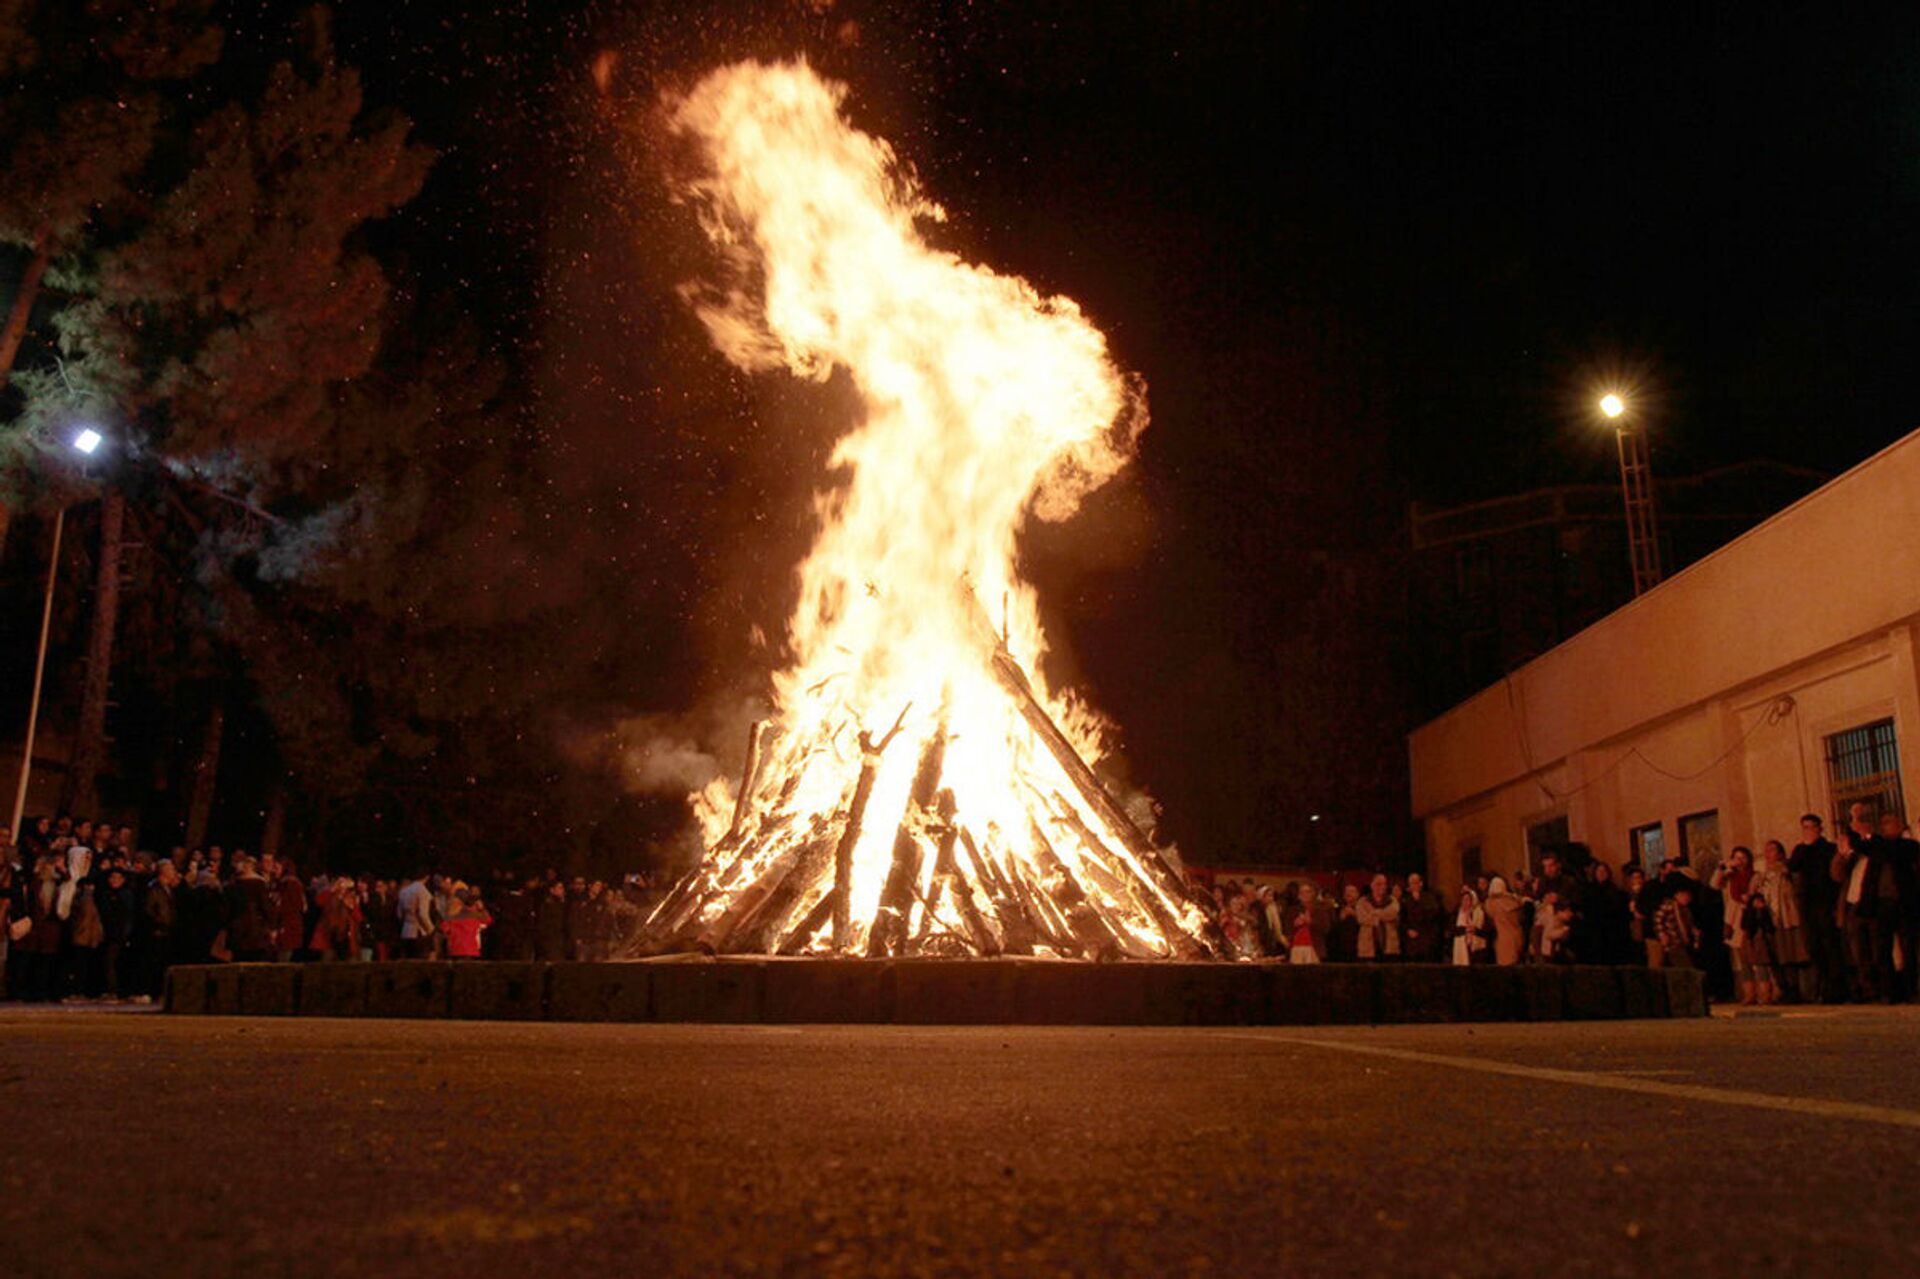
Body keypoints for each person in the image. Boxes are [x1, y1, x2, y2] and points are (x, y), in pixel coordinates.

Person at [1788, 813, 1844, 1001]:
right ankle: (1822, 986)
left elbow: (1834, 875)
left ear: (1820, 828)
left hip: (1825, 902)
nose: (1808, 831)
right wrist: (1805, 846)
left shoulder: (1828, 848)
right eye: (1805, 827)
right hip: (1807, 903)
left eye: (1812, 827)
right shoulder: (1800, 850)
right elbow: (1793, 866)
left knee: (1830, 945)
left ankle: (1836, 988)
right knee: (1813, 946)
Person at [1755, 840, 1813, 1001]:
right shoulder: (1762, 875)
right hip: (1768, 920)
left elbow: (1796, 888)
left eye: (1772, 850)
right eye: (1766, 850)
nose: (1768, 854)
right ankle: (1782, 988)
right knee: (1773, 957)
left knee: (1788, 955)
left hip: (1785, 918)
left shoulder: (1786, 871)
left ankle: (1794, 990)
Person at [222, 855, 277, 963]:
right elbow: (266, 908)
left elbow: (226, 911)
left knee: (239, 964)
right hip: (256, 932)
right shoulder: (259, 885)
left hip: (237, 933)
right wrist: (272, 927)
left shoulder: (232, 886)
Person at [1400, 872, 1447, 963]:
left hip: (1427, 941)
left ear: (1421, 883)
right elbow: (1402, 920)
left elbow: (1434, 917)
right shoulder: (1405, 900)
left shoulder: (1430, 898)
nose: (1413, 885)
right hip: (1412, 943)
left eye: (1415, 882)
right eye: (1411, 883)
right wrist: (1408, 930)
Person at [1354, 874, 1401, 961]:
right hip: (1368, 946)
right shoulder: (1363, 901)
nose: (1382, 887)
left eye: (1384, 884)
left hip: (1389, 945)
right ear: (1372, 885)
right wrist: (1381, 916)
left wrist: (1375, 913)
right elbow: (1362, 918)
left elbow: (1393, 913)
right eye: (1379, 884)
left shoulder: (1392, 900)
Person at [1483, 876, 1526, 965]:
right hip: (1518, 937)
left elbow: (1489, 914)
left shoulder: (1492, 904)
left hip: (1503, 940)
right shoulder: (1514, 901)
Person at [1284, 883, 1331, 963]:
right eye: (1302, 892)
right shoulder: (1292, 911)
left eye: (1308, 892)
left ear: (1313, 894)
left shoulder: (1320, 910)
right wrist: (1295, 925)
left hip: (1315, 948)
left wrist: (1310, 922)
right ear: (1298, 896)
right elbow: (1287, 930)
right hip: (1296, 949)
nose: (1305, 895)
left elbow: (1326, 929)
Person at [442, 888, 492, 960]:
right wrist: (482, 909)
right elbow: (489, 921)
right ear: (475, 905)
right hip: (472, 952)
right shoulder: (476, 917)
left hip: (454, 951)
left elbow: (444, 929)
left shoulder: (452, 917)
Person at [396, 870, 437, 959]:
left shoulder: (403, 891)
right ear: (427, 877)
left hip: (406, 931)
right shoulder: (422, 891)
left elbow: (399, 914)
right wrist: (431, 929)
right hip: (419, 932)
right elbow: (423, 914)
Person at [1450, 887, 1487, 965]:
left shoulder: (1477, 914)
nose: (1466, 902)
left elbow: (1485, 932)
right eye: (1464, 900)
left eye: (1468, 900)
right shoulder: (1456, 913)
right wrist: (1464, 930)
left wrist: (1474, 930)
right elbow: (1451, 929)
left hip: (1474, 949)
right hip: (1459, 947)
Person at [1329, 884, 1361, 962]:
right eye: (1346, 892)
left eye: (1352, 891)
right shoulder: (1337, 910)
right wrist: (1340, 919)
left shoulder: (1363, 908)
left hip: (1358, 949)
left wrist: (1355, 915)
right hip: (1340, 951)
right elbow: (1331, 930)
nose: (1348, 893)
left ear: (1357, 895)